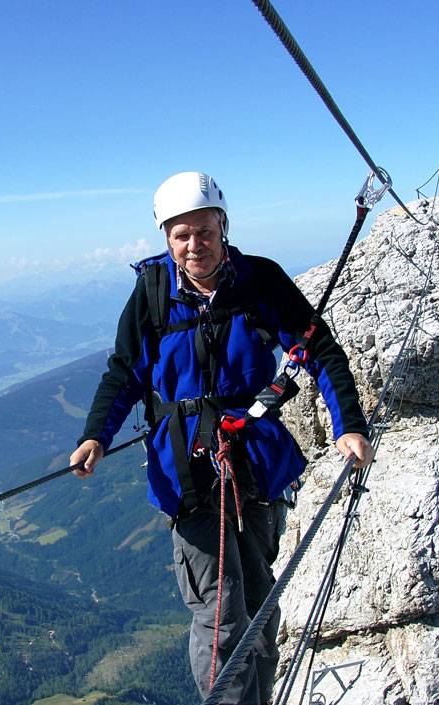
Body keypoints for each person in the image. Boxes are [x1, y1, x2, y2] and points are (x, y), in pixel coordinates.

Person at [70, 171, 374, 705]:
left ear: (223, 226)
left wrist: (348, 424)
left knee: (259, 596)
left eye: (204, 232)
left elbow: (315, 348)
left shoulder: (259, 281)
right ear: (165, 238)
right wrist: (96, 435)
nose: (194, 246)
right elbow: (125, 373)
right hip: (186, 469)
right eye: (180, 235)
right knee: (220, 611)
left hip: (253, 461)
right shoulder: (153, 292)